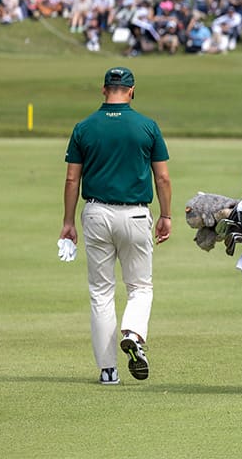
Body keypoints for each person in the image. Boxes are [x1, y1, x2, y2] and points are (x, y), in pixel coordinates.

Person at [59, 67, 172, 385]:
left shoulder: (84, 127)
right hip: (136, 215)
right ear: (132, 90)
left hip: (95, 213)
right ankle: (134, 334)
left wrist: (68, 222)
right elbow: (162, 176)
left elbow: (72, 178)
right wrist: (166, 215)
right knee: (140, 287)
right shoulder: (147, 126)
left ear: (103, 89)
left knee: (101, 292)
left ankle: (108, 370)